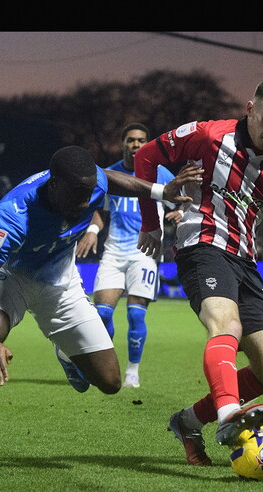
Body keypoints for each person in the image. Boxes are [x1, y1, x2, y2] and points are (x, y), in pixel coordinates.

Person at [0, 146, 199, 480]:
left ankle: (67, 355)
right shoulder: (15, 213)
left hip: (62, 285)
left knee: (110, 382)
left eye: (90, 193)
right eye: (79, 195)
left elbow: (110, 179)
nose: (87, 203)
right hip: (12, 277)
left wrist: (160, 191)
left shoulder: (88, 183)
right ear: (54, 186)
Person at [133, 78, 263, 465]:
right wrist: (151, 222)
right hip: (201, 243)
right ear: (250, 109)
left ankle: (188, 421)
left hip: (244, 259)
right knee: (225, 326)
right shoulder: (207, 135)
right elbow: (146, 156)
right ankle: (228, 414)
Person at [74, 123, 183, 388]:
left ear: (147, 144)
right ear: (123, 143)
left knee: (135, 315)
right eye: (131, 140)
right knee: (101, 314)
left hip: (145, 251)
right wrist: (91, 230)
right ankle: (106, 365)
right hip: (113, 251)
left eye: (141, 140)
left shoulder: (159, 173)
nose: (136, 144)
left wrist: (182, 213)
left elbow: (183, 199)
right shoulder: (109, 174)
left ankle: (133, 370)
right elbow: (100, 209)